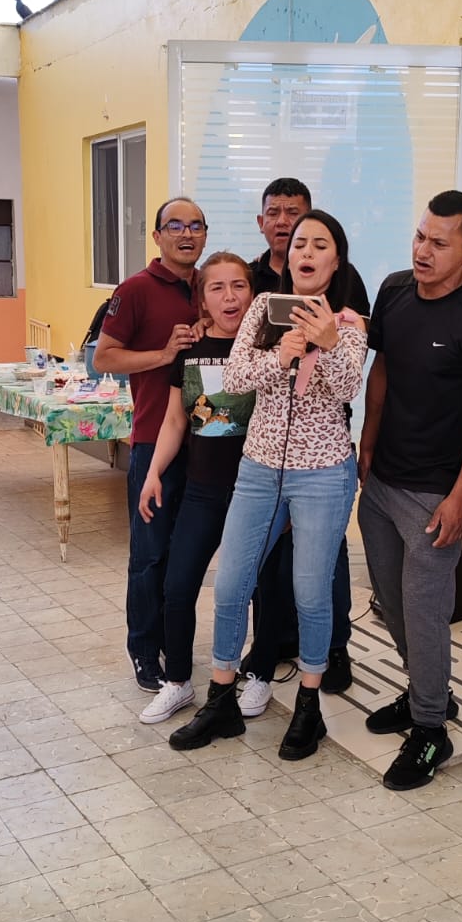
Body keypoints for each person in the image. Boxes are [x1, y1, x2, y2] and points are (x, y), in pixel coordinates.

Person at [169, 210, 367, 761]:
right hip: (258, 468)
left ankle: (308, 705)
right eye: (300, 243)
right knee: (231, 584)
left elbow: (346, 389)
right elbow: (233, 380)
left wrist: (327, 343)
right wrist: (281, 355)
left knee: (310, 591)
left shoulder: (349, 323)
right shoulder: (261, 309)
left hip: (323, 472)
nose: (306, 252)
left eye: (320, 244)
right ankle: (221, 701)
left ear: (335, 260)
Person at [358, 190, 462, 792]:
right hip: (382, 479)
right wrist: (367, 441)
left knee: (425, 612)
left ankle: (431, 729)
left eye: (439, 243)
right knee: (389, 601)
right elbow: (382, 370)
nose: (423, 251)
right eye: (420, 237)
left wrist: (460, 497)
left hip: (434, 494)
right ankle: (428, 692)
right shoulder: (395, 290)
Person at [248, 176, 371, 694]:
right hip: (265, 445)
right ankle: (271, 644)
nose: (284, 224)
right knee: (264, 557)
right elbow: (240, 356)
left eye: (293, 214)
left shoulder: (344, 281)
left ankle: (333, 647)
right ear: (263, 222)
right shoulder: (255, 280)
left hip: (323, 449)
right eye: (275, 214)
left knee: (323, 560)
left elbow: (354, 358)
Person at [136, 253, 267, 725]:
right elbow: (175, 420)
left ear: (253, 294)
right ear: (202, 299)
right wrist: (153, 473)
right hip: (202, 490)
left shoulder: (267, 347)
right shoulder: (189, 350)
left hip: (257, 491)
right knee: (178, 585)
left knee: (261, 588)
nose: (230, 297)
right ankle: (178, 682)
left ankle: (260, 673)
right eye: (217, 288)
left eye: (239, 286)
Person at [93, 197, 207, 691]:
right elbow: (104, 358)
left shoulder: (210, 287)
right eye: (175, 226)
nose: (187, 234)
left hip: (207, 444)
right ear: (157, 236)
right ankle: (143, 649)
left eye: (196, 225)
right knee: (150, 555)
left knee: (186, 558)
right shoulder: (135, 289)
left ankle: (174, 643)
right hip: (151, 442)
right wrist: (163, 355)